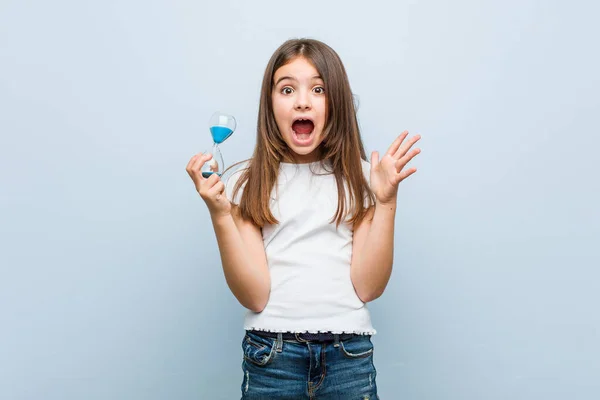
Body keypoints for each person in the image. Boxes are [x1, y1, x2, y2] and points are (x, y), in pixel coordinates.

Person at [186, 38, 421, 399]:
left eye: (318, 89)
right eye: (287, 89)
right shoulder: (245, 182)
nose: (302, 100)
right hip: (272, 358)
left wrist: (386, 201)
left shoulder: (362, 178)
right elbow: (255, 296)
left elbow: (368, 287)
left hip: (349, 357)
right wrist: (220, 215)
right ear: (270, 104)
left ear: (336, 103)